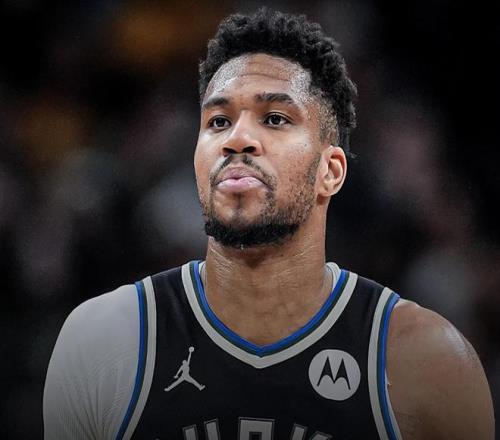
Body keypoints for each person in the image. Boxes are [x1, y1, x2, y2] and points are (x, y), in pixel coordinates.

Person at [43, 8, 494, 440]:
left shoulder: (428, 361)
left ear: (330, 171)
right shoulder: (104, 342)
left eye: (275, 118)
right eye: (218, 121)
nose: (237, 138)